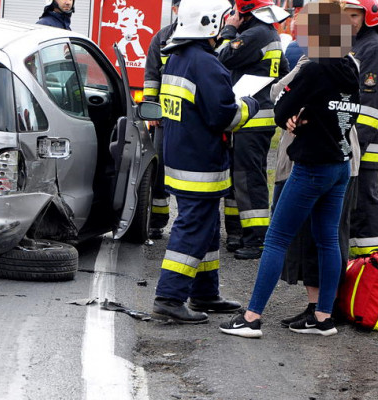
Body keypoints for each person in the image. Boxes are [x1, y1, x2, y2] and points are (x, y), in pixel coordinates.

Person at [219, 0, 360, 338]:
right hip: (341, 163)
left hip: (311, 165)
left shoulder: (313, 68)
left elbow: (281, 105)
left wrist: (292, 116)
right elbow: (344, 109)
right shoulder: (350, 66)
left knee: (276, 239)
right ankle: (323, 317)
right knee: (327, 240)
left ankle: (251, 318)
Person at [151, 0, 258, 324]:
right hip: (200, 164)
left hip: (183, 157)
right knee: (193, 228)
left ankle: (205, 293)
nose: (228, 23)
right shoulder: (206, 64)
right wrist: (249, 106)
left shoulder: (178, 57)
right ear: (210, 22)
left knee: (208, 230)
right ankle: (169, 297)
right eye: (225, 18)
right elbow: (223, 117)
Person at [217, 0, 290, 260]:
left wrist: (228, 31)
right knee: (241, 178)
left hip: (252, 119)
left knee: (248, 179)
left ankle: (256, 239)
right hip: (255, 117)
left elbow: (221, 58)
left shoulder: (254, 34)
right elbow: (284, 71)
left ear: (243, 12)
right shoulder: (269, 33)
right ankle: (239, 234)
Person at [347, 0, 378, 259]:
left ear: (369, 17)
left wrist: (354, 145)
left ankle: (374, 264)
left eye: (354, 16)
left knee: (365, 205)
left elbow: (372, 106)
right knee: (354, 209)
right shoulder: (353, 44)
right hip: (350, 142)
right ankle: (357, 265)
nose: (349, 21)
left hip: (364, 145)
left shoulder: (374, 47)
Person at [142, 0, 180, 240]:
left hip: (190, 119)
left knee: (190, 175)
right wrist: (151, 105)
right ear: (175, 9)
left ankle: (187, 223)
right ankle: (157, 221)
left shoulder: (207, 37)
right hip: (164, 119)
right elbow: (152, 74)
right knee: (160, 172)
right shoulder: (163, 37)